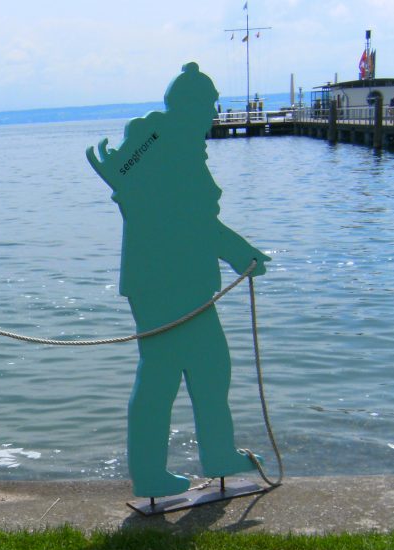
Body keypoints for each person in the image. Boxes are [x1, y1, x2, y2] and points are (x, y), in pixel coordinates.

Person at [87, 63, 269, 498]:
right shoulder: (166, 144)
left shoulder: (166, 141)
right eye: (208, 106)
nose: (212, 116)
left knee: (198, 369)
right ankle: (166, 470)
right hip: (168, 282)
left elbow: (186, 215)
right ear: (190, 107)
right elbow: (195, 221)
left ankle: (205, 458)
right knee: (168, 375)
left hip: (169, 279)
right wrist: (241, 253)